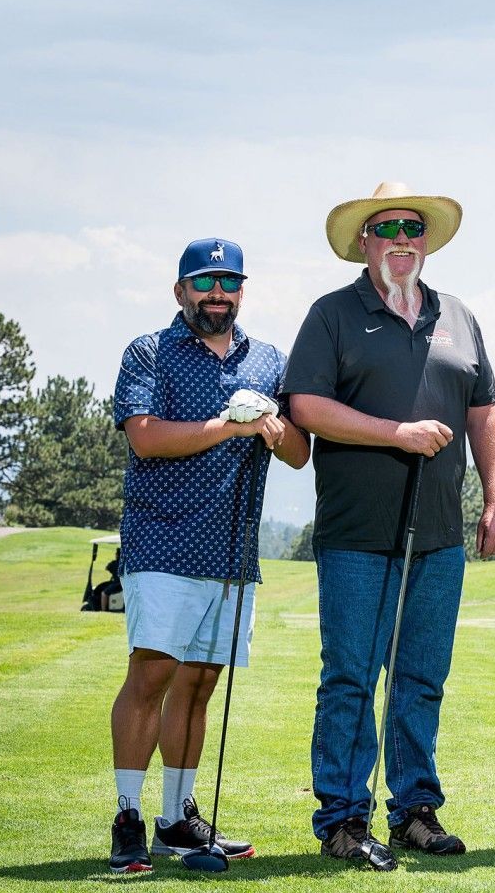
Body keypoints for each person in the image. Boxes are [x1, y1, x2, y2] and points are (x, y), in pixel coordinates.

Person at [283, 182, 495, 870]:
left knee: (419, 678)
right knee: (350, 677)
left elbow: (485, 412)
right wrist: (395, 434)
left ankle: (415, 811)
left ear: (426, 238)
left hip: (438, 535)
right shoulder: (332, 315)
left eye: (412, 226)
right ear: (364, 242)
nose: (401, 237)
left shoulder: (458, 316)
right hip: (356, 533)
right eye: (386, 228)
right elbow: (306, 406)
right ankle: (344, 819)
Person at [107, 237, 310, 873]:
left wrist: (275, 431)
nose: (217, 294)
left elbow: (301, 453)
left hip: (231, 553)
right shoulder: (150, 352)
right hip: (163, 541)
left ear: (241, 291)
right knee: (152, 675)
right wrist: (233, 426)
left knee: (199, 684)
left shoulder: (269, 360)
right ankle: (128, 816)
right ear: (180, 291)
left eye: (228, 283)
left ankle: (176, 819)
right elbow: (145, 439)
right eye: (204, 283)